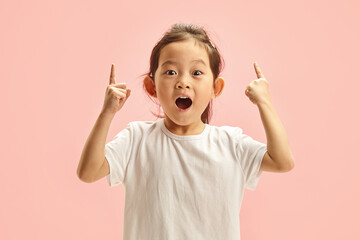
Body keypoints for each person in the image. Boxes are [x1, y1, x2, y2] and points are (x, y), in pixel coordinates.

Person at [77, 23, 295, 240]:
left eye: (196, 72)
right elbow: (88, 172)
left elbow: (282, 161)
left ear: (215, 88)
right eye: (171, 72)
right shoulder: (136, 139)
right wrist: (107, 113)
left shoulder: (231, 144)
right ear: (151, 86)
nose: (183, 82)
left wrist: (264, 102)